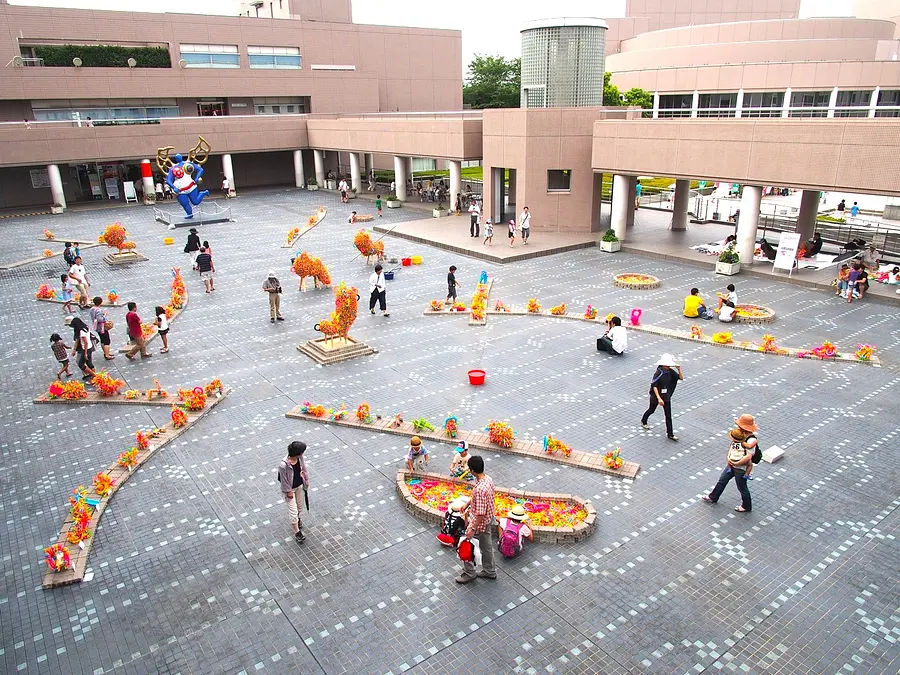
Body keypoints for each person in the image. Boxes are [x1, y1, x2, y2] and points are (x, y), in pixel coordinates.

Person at [703, 415, 758, 513]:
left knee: (742, 487)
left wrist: (735, 462)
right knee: (722, 480)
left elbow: (749, 456)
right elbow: (732, 447)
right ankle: (713, 496)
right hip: (732, 465)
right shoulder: (739, 434)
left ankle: (746, 506)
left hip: (741, 468)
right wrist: (729, 459)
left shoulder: (751, 440)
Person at [456, 455, 496, 583]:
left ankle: (469, 572)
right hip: (488, 519)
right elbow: (480, 501)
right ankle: (489, 570)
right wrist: (467, 504)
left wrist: (472, 528)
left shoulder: (479, 490)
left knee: (465, 543)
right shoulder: (487, 479)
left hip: (479, 522)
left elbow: (480, 513)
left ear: (472, 471)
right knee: (487, 546)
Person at [640, 354, 683, 441]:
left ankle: (670, 434)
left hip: (666, 396)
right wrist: (659, 398)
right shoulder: (659, 372)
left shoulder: (670, 372)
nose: (668, 366)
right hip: (656, 396)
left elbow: (681, 378)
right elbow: (654, 386)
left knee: (668, 415)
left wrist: (679, 369)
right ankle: (644, 420)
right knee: (651, 410)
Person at [278, 441, 309, 544]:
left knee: (300, 507)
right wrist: (288, 491)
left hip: (300, 485)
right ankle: (297, 532)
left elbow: (304, 468)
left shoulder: (300, 458)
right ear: (297, 453)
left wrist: (306, 479)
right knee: (293, 512)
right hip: (290, 490)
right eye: (301, 452)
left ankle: (298, 520)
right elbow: (283, 480)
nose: (302, 454)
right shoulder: (284, 465)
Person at [89, 296, 115, 360]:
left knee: (102, 340)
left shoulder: (92, 309)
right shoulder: (99, 310)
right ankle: (107, 355)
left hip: (97, 327)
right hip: (102, 327)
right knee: (107, 340)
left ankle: (106, 352)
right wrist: (104, 315)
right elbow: (100, 319)